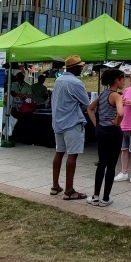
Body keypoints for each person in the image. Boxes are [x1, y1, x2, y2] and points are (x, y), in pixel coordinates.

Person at [50, 55, 89, 200]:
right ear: (76, 68)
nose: (82, 68)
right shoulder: (76, 82)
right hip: (72, 123)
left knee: (59, 152)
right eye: (81, 66)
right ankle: (69, 190)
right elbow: (86, 103)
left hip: (58, 122)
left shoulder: (59, 80)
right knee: (72, 156)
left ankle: (55, 186)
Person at [87, 68, 125, 205]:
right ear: (116, 80)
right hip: (113, 132)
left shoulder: (102, 94)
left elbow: (90, 108)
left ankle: (95, 196)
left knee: (101, 163)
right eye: (122, 79)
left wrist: (96, 124)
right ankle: (106, 198)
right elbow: (121, 113)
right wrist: (117, 122)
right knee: (111, 165)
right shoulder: (116, 96)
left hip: (102, 131)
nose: (124, 82)